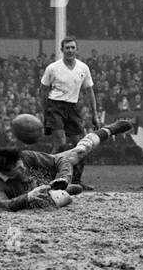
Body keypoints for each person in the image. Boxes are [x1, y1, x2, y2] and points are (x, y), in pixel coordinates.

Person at [0, 119, 133, 211]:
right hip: (40, 189)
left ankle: (108, 130)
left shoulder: (25, 156)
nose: (23, 168)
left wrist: (63, 178)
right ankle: (63, 189)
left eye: (22, 164)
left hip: (48, 174)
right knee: (58, 198)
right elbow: (3, 206)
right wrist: (28, 197)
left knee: (80, 151)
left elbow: (60, 161)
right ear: (6, 172)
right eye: (18, 169)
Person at [38, 37, 99, 188]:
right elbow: (43, 90)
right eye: (67, 48)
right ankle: (47, 178)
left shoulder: (83, 68)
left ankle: (77, 181)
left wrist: (94, 114)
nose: (70, 50)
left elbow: (89, 91)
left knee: (81, 145)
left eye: (73, 47)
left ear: (77, 49)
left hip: (73, 107)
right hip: (55, 106)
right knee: (60, 143)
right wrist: (45, 112)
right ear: (62, 50)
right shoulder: (53, 68)